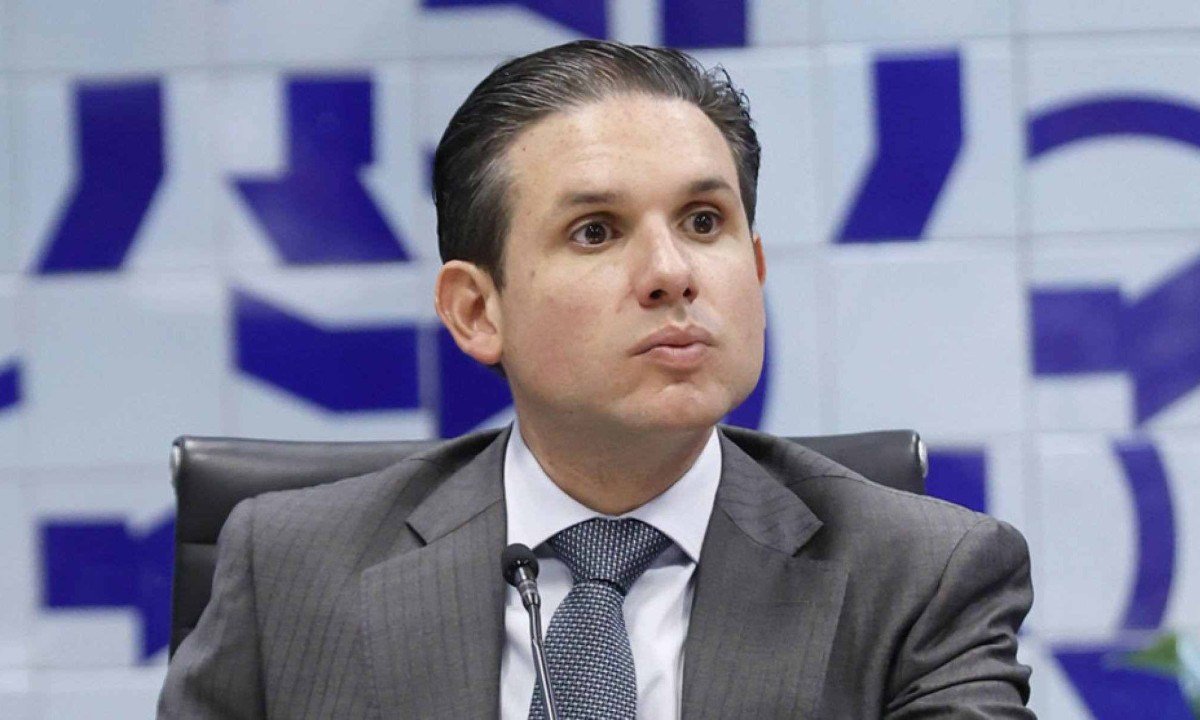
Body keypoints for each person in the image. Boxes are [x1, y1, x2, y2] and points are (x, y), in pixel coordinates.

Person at [159, 40, 1034, 719]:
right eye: (596, 232)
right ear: (477, 311)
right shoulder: (289, 570)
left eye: (704, 221)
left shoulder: (922, 576)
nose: (671, 273)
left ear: (757, 267)